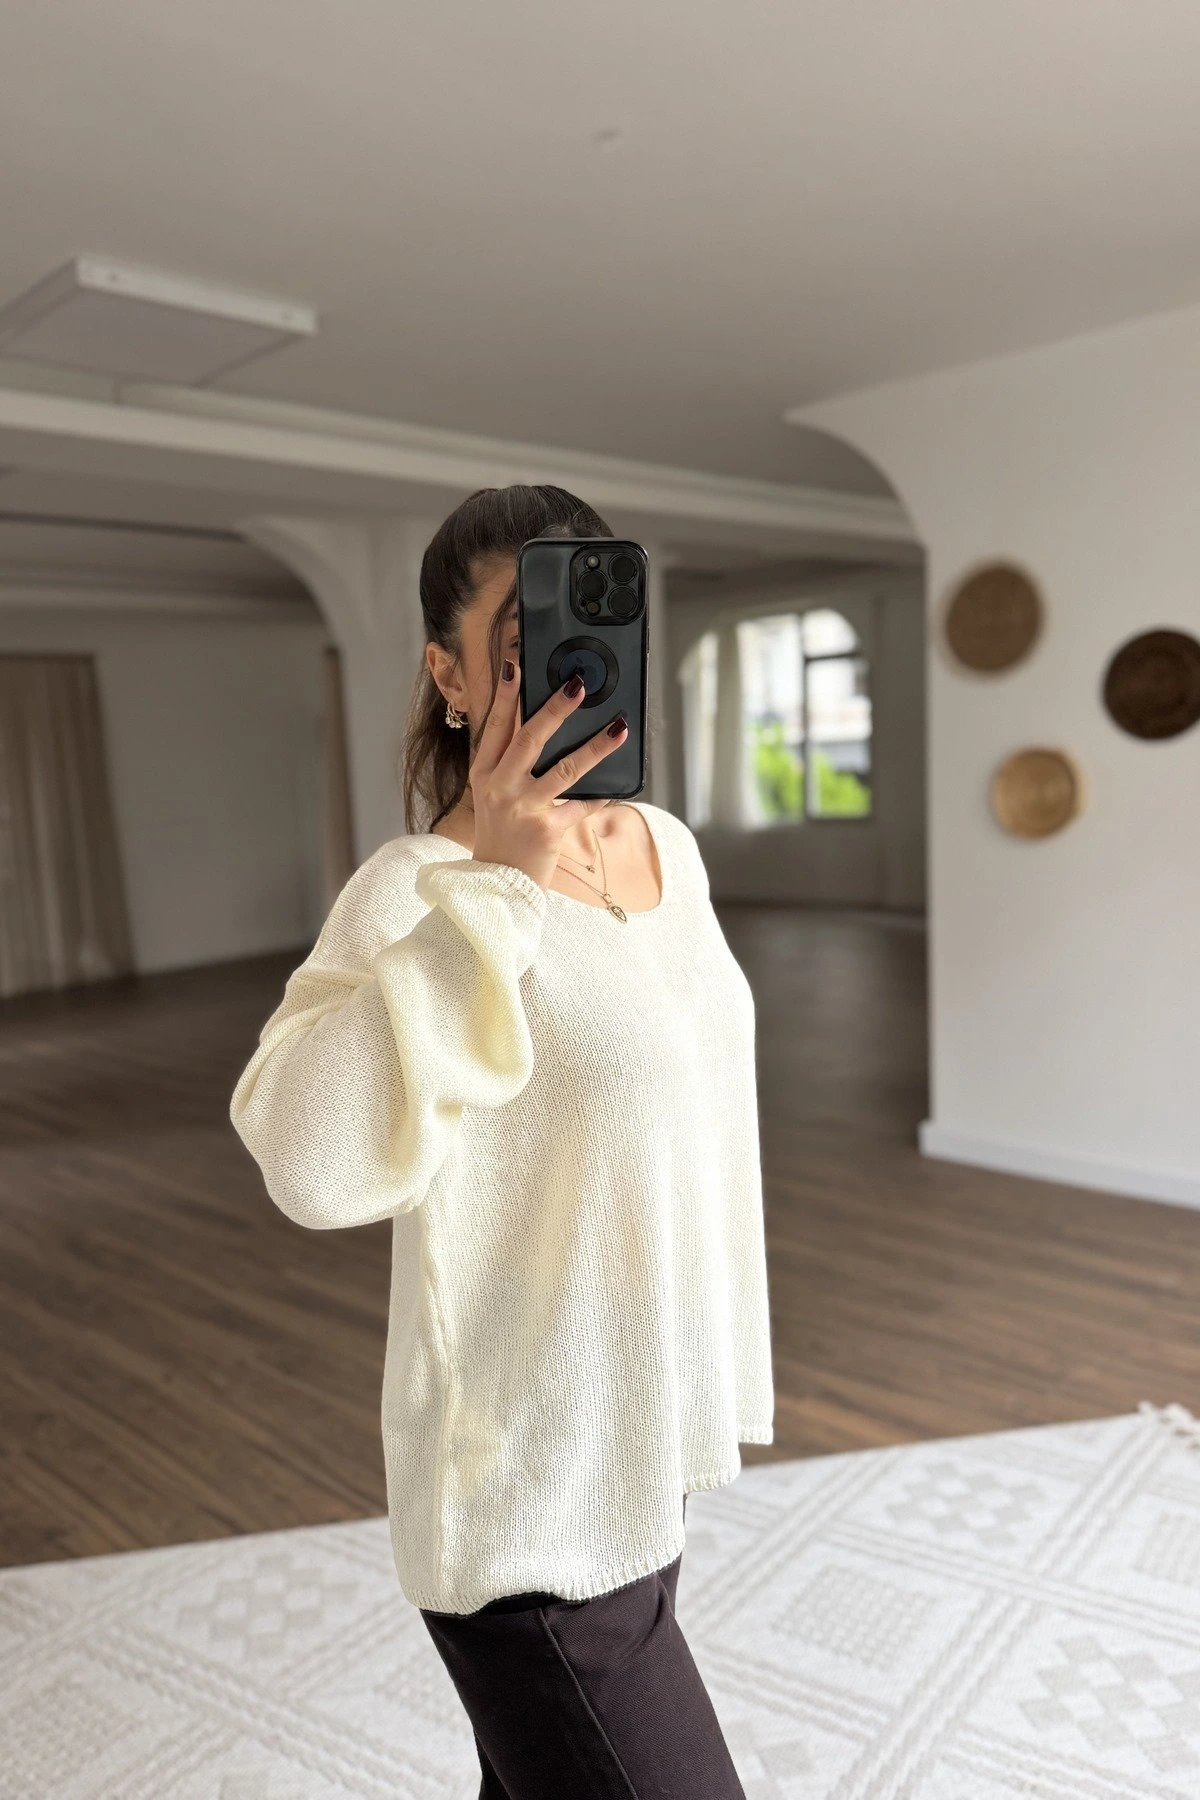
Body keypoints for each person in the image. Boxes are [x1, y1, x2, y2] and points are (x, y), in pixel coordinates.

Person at [229, 483, 774, 1799]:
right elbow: (302, 1156)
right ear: (451, 675)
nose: (567, 678)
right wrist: (497, 891)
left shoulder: (665, 850)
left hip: (637, 1437)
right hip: (524, 1484)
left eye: (596, 636)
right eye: (526, 648)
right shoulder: (415, 892)